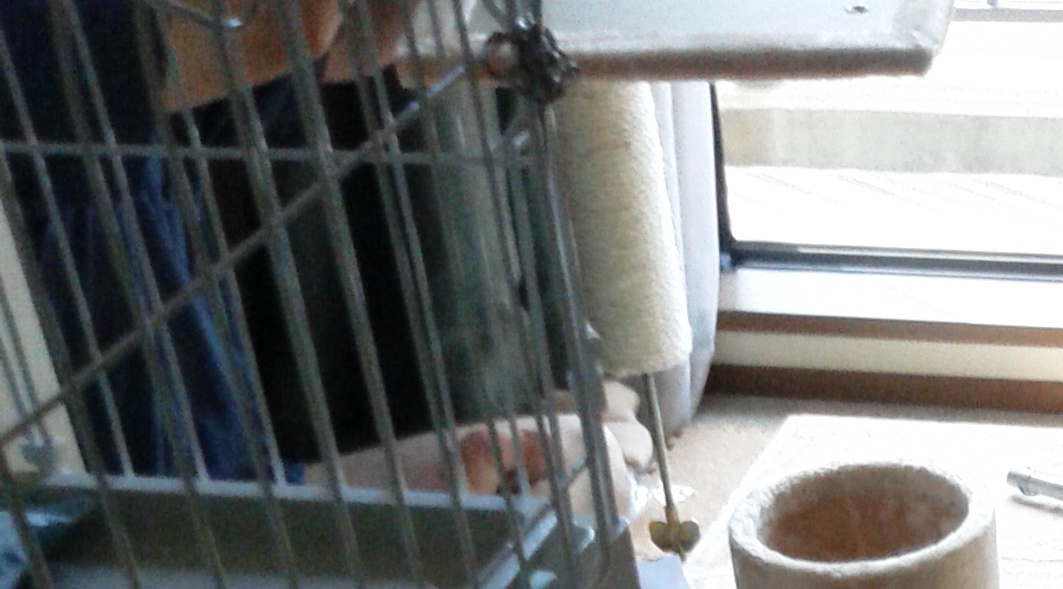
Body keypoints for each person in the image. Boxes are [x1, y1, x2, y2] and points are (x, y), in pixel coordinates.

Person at [0, 0, 626, 507]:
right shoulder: (62, 48)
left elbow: (363, 44)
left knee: (587, 465)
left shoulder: (155, 109)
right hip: (171, 560)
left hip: (243, 518)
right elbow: (299, 29)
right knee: (583, 489)